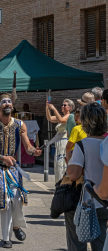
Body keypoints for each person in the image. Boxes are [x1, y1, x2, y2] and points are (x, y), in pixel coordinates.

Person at [0, 93, 42, 248]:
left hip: (12, 168)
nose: (8, 104)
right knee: (6, 202)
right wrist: (4, 158)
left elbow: (28, 147)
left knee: (17, 199)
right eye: (4, 102)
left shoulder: (20, 124)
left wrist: (33, 151)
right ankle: (6, 238)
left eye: (9, 102)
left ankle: (16, 226)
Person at [66, 102, 108, 251]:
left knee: (77, 239)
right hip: (105, 203)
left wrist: (69, 157)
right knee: (101, 242)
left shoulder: (82, 145)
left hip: (89, 202)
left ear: (85, 122)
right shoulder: (106, 142)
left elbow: (73, 174)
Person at [46, 99, 74, 183]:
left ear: (70, 107)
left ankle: (63, 183)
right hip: (59, 143)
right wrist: (47, 108)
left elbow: (62, 120)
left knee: (62, 163)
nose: (62, 106)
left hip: (64, 141)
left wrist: (54, 109)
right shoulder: (61, 116)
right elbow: (50, 118)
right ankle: (58, 184)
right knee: (57, 164)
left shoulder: (69, 116)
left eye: (65, 105)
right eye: (62, 105)